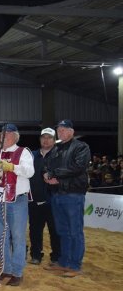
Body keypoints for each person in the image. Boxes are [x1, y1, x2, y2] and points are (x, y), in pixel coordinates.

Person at [0, 123, 34, 286]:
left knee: (18, 236)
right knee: (1, 236)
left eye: (7, 135)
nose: (3, 137)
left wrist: (12, 167)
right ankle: (5, 268)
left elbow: (30, 171)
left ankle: (17, 272)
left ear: (15, 136)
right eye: (2, 135)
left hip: (17, 200)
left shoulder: (23, 152)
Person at [44, 119, 91, 278]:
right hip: (57, 193)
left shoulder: (81, 147)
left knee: (74, 230)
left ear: (72, 131)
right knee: (62, 230)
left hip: (73, 193)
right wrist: (47, 175)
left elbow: (78, 167)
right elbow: (48, 166)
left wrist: (55, 175)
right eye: (59, 129)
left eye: (64, 129)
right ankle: (64, 262)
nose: (61, 132)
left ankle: (75, 265)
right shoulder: (56, 148)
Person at [28, 128, 60, 265]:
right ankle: (36, 255)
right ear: (40, 139)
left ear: (54, 140)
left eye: (49, 137)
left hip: (54, 200)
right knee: (35, 229)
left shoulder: (60, 155)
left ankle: (56, 257)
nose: (46, 140)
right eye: (43, 137)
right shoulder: (31, 155)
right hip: (35, 200)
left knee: (55, 230)